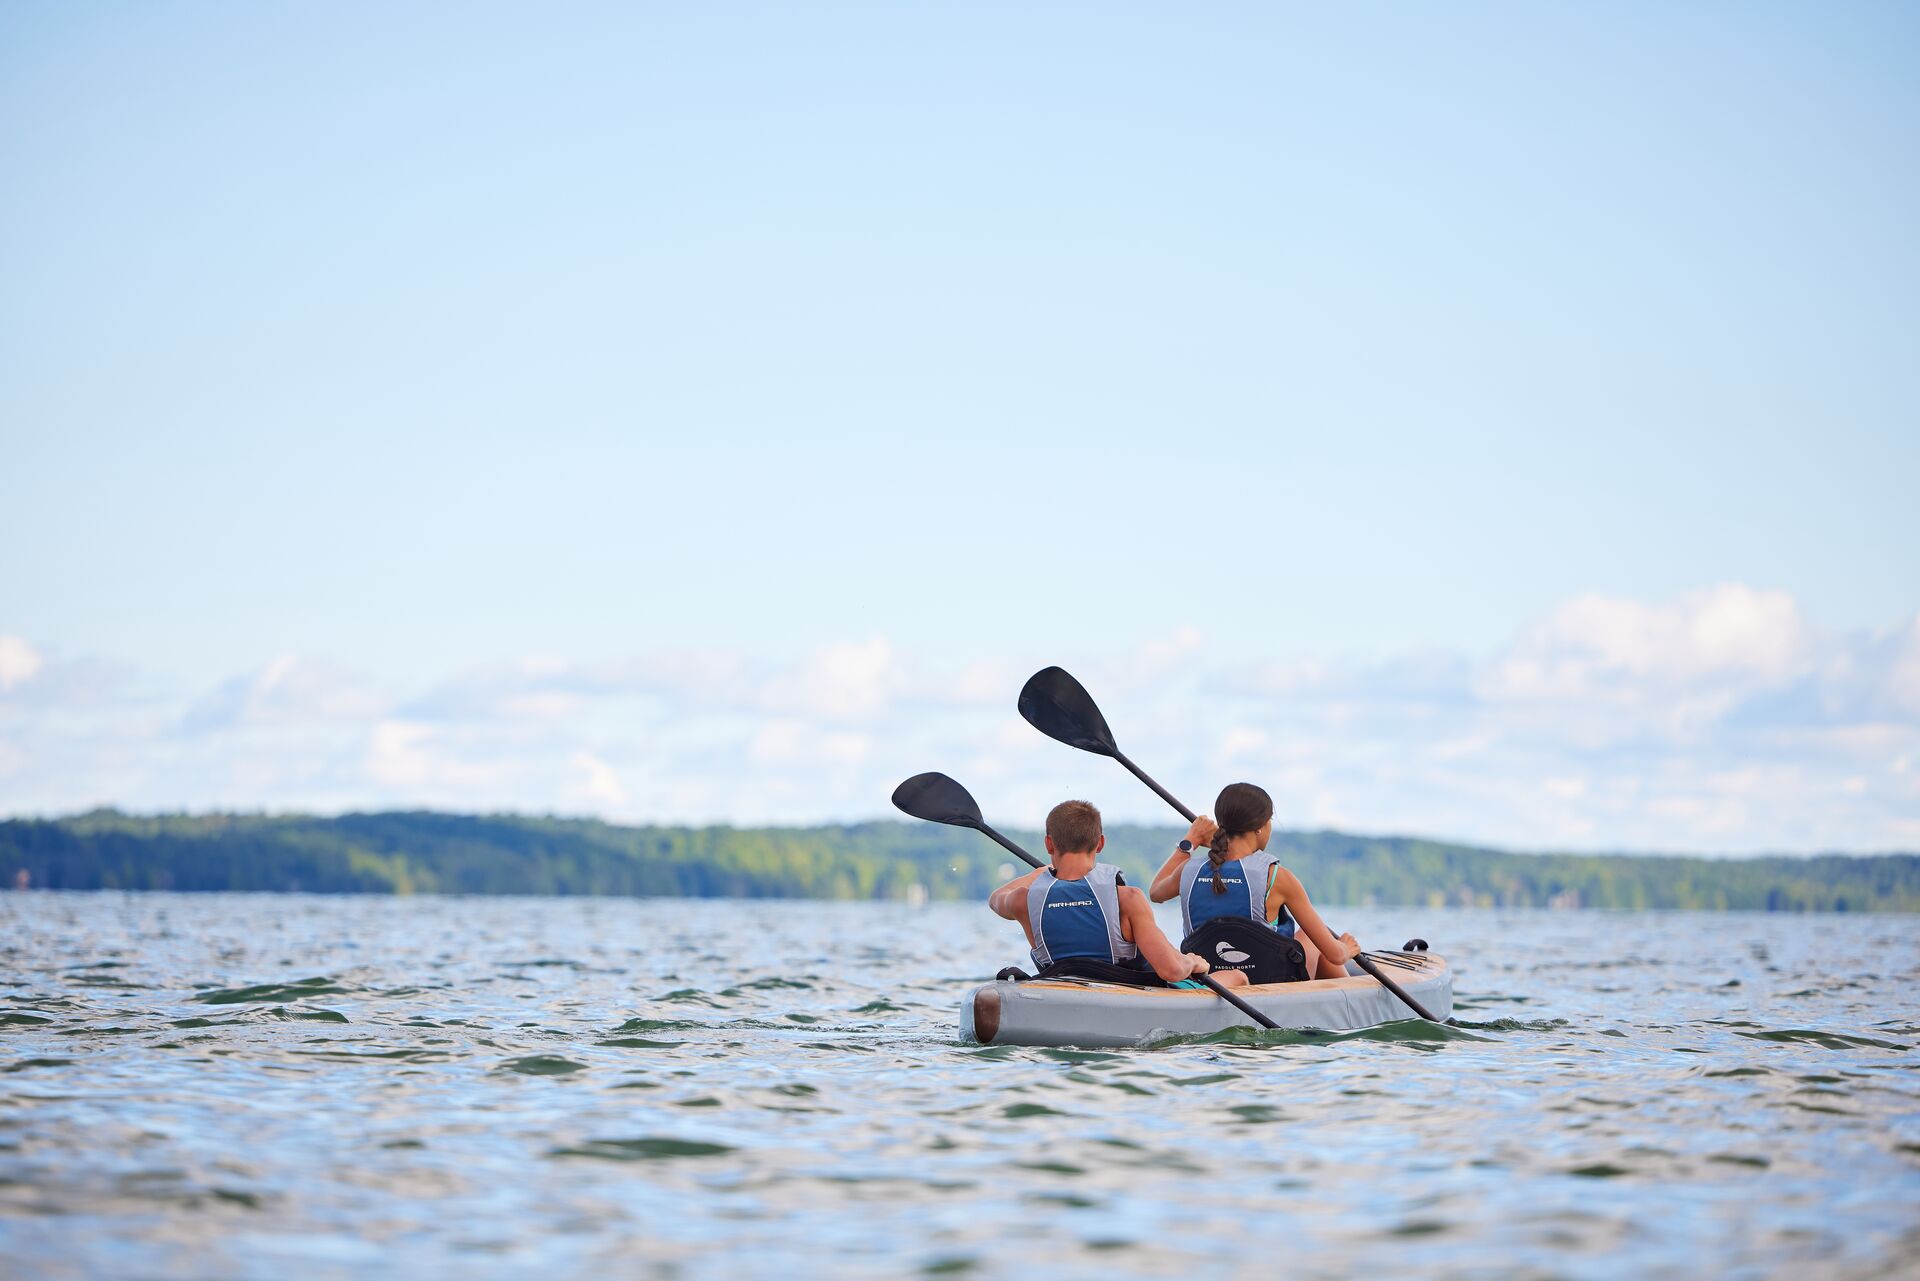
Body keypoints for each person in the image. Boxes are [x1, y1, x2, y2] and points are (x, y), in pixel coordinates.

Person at [987, 800, 1245, 989]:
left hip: (1061, 989)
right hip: (1128, 994)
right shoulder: (1128, 899)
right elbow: (1172, 970)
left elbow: (996, 897)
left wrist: (1040, 874)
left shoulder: (1022, 900)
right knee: (1238, 977)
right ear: (1100, 843)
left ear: (1048, 844)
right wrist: (1193, 962)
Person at [1149, 782, 1361, 981]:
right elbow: (1334, 955)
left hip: (1208, 978)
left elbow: (1156, 892)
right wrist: (1346, 948)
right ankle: (1352, 1007)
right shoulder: (1277, 877)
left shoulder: (1187, 870)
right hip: (1270, 981)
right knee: (1309, 936)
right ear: (1261, 827)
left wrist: (1190, 842)